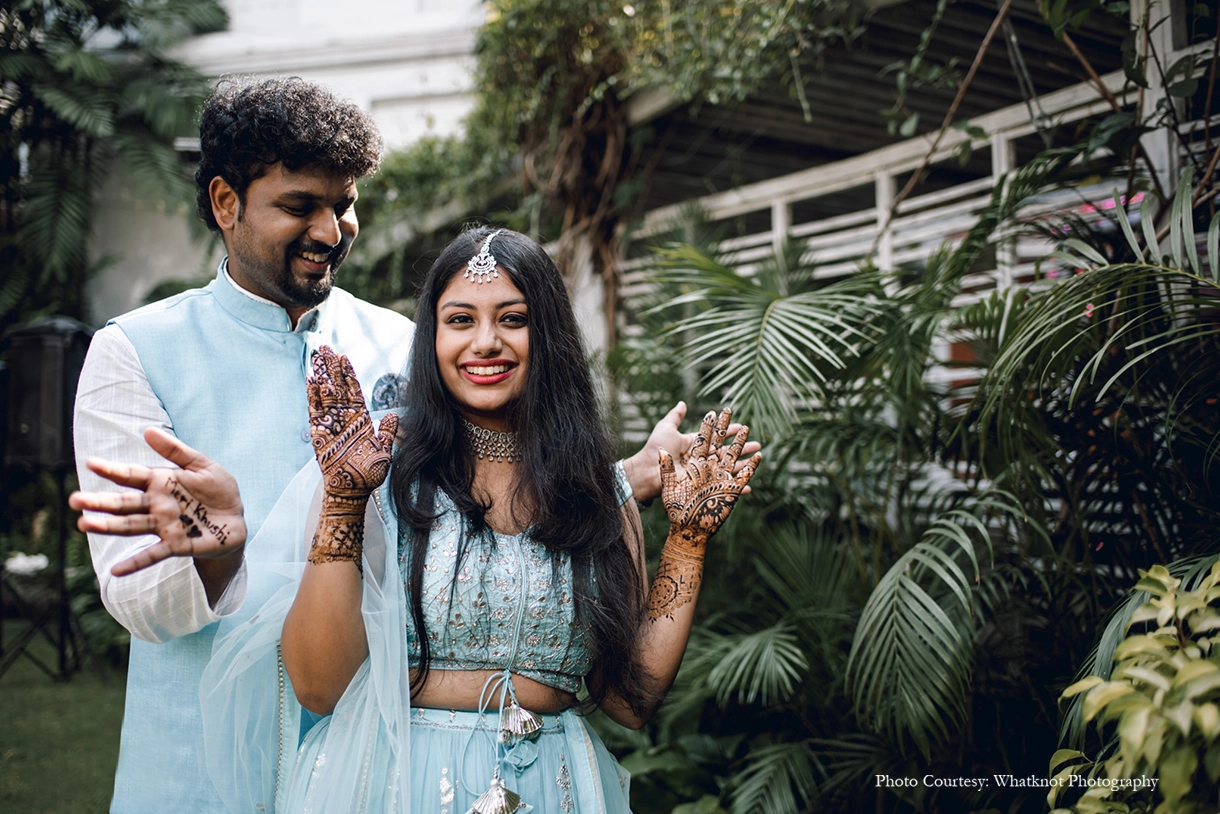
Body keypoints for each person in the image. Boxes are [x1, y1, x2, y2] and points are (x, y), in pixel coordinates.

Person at [72, 78, 719, 814]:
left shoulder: (405, 343)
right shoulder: (135, 352)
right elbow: (134, 598)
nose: (331, 231)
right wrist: (220, 558)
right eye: (300, 206)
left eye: (344, 203)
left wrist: (623, 479)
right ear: (226, 202)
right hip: (202, 773)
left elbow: (481, 485)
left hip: (381, 768)